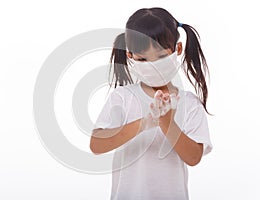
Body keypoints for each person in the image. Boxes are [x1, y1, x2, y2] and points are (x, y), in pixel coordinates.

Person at [90, 7, 213, 200]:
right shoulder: (122, 98)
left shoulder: (189, 103)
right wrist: (145, 123)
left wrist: (166, 122)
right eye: (143, 59)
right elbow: (97, 145)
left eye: (162, 56)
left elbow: (193, 158)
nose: (153, 65)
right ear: (130, 57)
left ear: (177, 49)